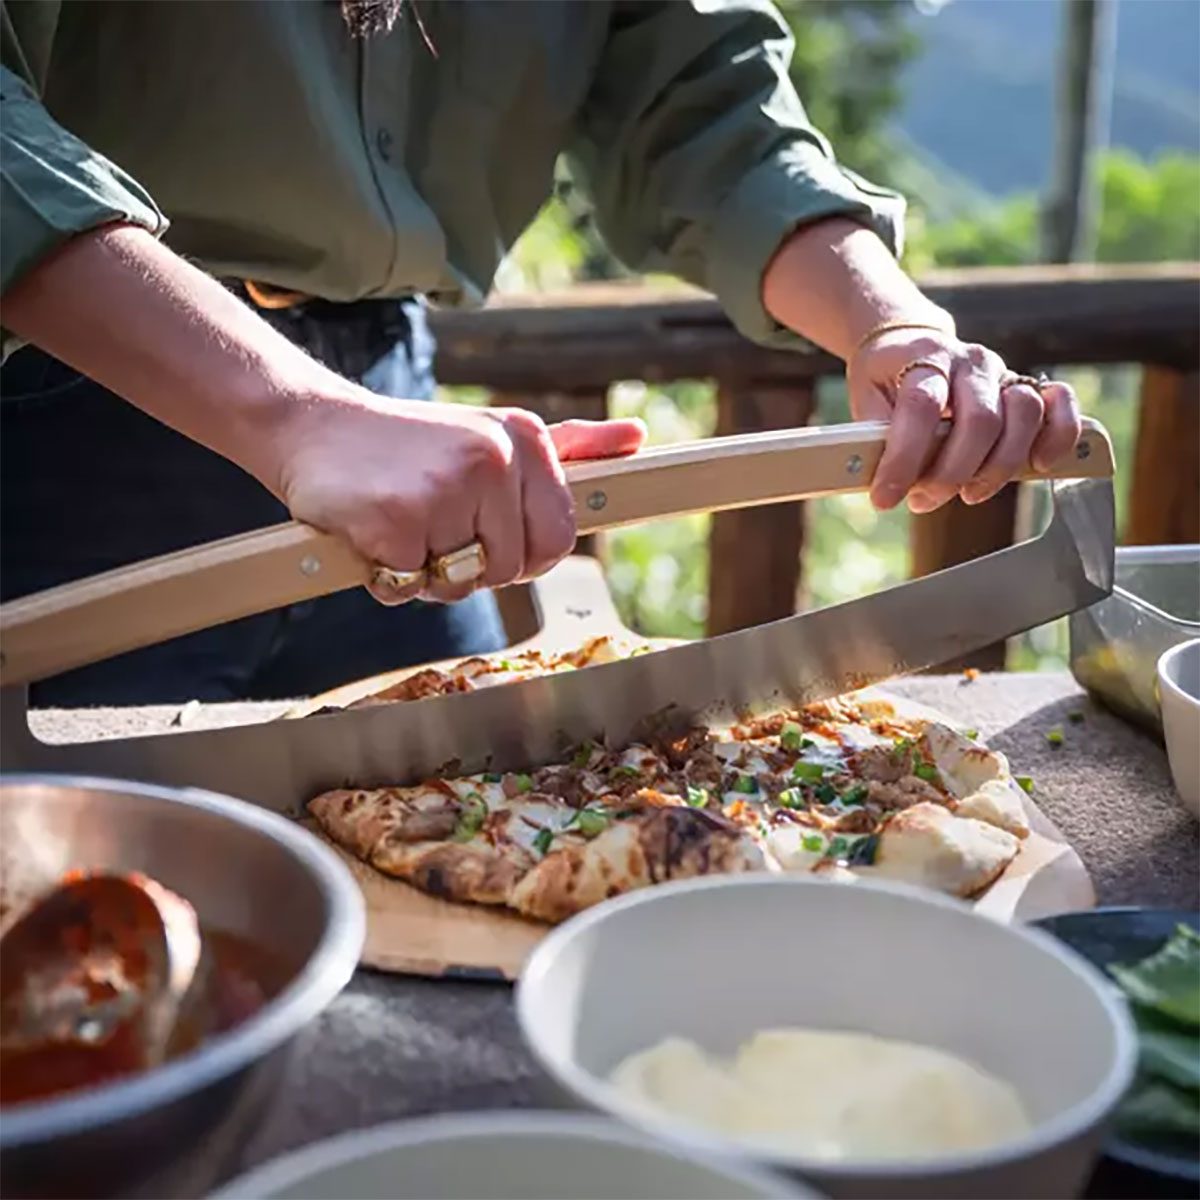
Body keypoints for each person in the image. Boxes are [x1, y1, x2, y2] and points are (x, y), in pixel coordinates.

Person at [0, 0, 1080, 707]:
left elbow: (699, 100)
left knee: (478, 834)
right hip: (63, 421)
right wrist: (294, 416)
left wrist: (893, 324)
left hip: (395, 425)